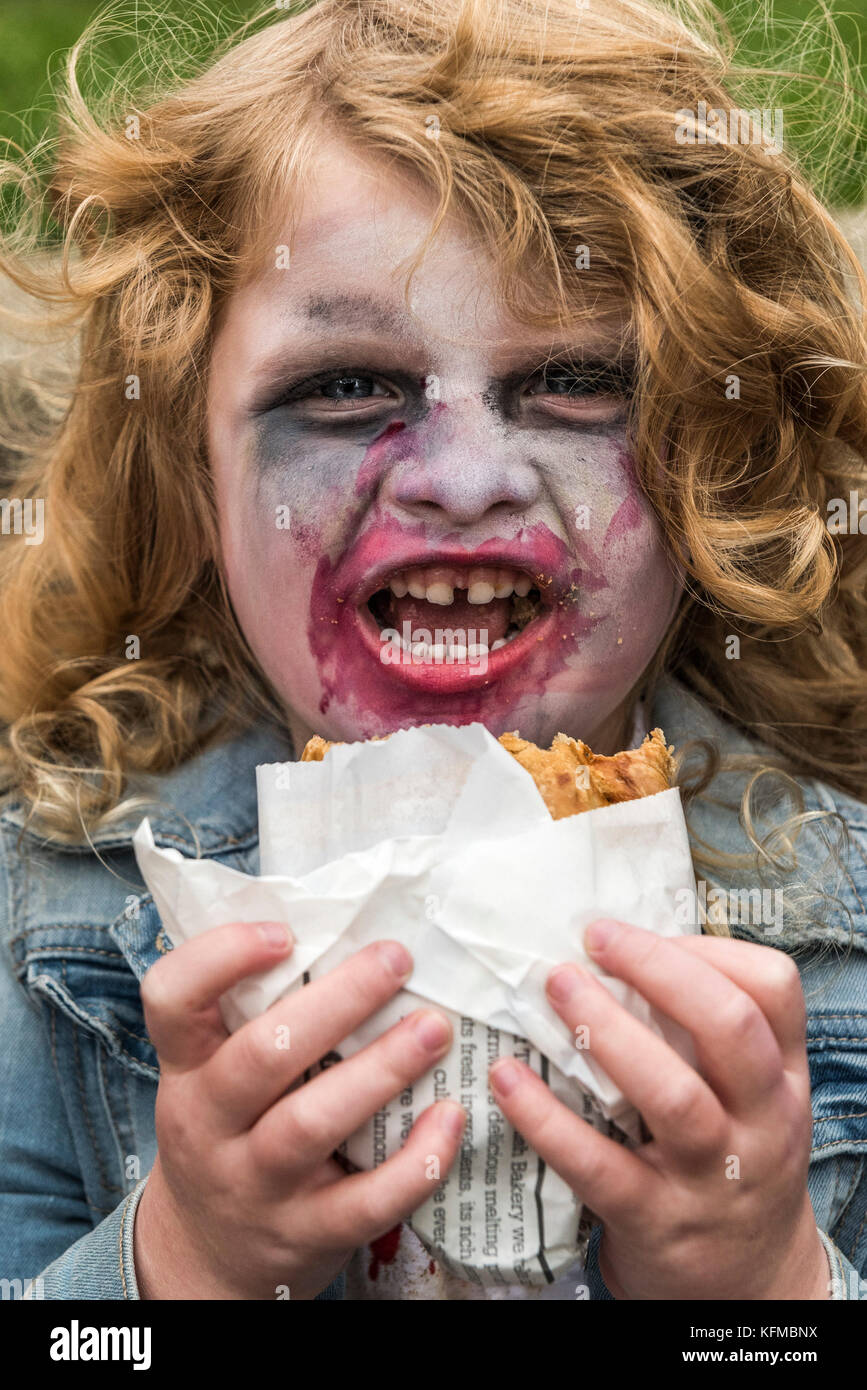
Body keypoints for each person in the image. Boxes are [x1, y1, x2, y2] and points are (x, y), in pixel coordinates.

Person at [0, 0, 864, 1301]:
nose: (460, 479)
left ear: (716, 462)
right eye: (347, 385)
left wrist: (768, 1285)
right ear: (188, 466)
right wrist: (182, 1259)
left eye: (577, 380)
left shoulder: (839, 935)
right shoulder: (43, 932)